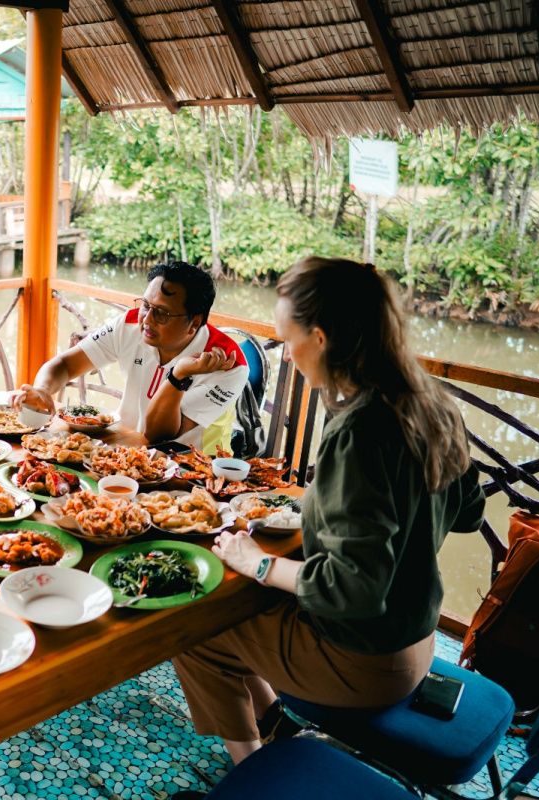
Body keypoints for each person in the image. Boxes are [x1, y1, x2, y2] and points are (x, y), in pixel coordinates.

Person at [168, 258, 485, 789]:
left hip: (364, 662)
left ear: (320, 338)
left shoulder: (359, 430)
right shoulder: (432, 402)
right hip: (416, 636)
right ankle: (276, 725)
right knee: (253, 604)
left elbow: (351, 591)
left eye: (288, 339)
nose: (287, 354)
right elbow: (470, 513)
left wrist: (260, 562)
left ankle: (257, 775)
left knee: (195, 629)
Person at [15, 261, 248, 454]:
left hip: (188, 465)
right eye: (146, 305)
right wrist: (43, 390)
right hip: (124, 447)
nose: (146, 320)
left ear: (194, 322)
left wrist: (179, 375)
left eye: (162, 313)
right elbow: (65, 365)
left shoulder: (229, 365)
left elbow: (160, 436)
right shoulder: (128, 324)